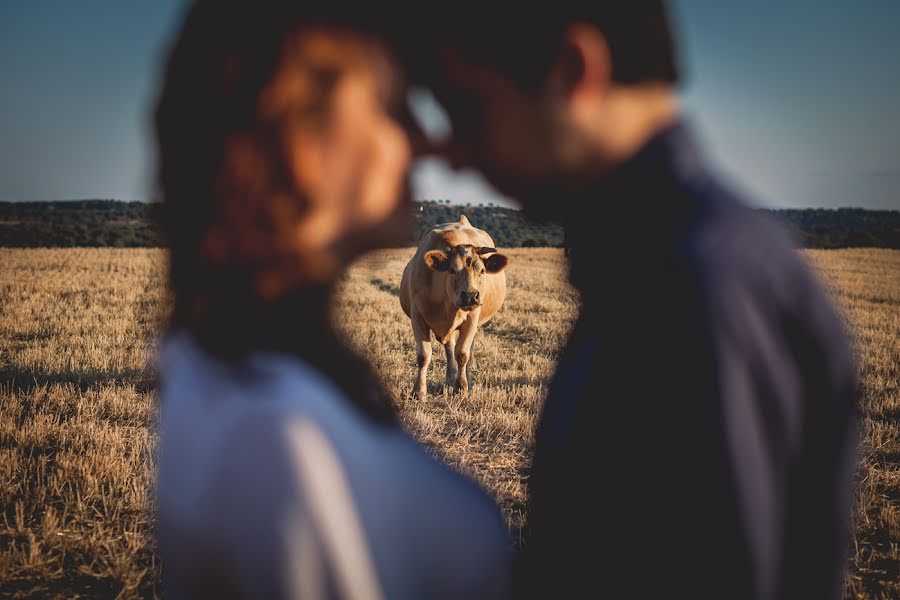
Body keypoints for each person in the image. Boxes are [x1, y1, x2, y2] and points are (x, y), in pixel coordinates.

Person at [402, 3, 859, 599]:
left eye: (470, 110)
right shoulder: (656, 264)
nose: (456, 154)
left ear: (573, 72)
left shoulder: (697, 289)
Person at [152, 4, 511, 598]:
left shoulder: (228, 367)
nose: (424, 140)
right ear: (300, 140)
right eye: (394, 108)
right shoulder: (284, 440)